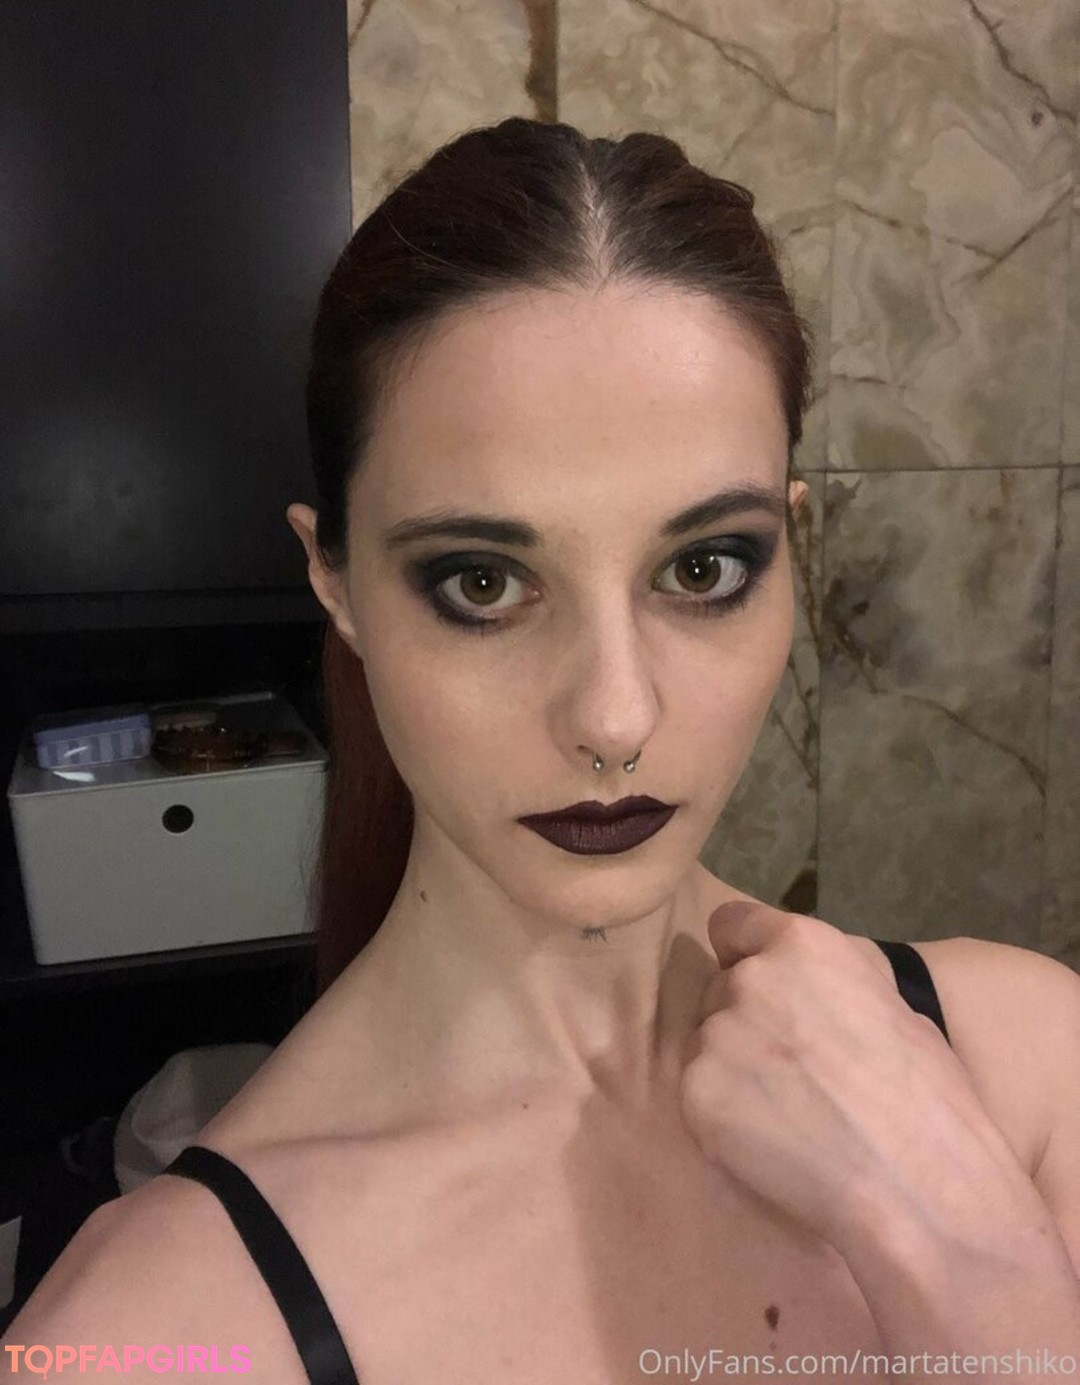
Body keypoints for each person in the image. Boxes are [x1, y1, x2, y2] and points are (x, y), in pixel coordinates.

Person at [6, 118, 1080, 1383]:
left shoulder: (1030, 1063)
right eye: (482, 581)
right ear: (333, 578)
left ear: (790, 546)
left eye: (703, 567)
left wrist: (966, 1251)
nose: (614, 718)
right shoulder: (155, 1335)